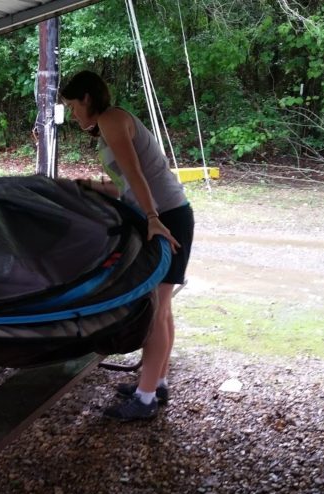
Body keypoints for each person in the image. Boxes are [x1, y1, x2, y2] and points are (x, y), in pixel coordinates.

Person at [60, 70, 195, 421]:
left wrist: (151, 218)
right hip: (166, 214)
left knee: (155, 309)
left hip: (165, 219)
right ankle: (157, 382)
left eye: (72, 106)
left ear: (86, 99)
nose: (73, 115)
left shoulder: (112, 120)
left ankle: (146, 398)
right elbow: (126, 184)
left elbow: (136, 173)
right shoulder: (112, 124)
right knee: (162, 307)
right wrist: (90, 186)